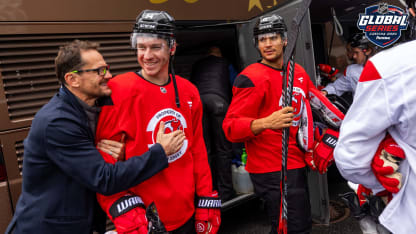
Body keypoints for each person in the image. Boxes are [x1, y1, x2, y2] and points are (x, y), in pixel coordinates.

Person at [5, 39, 185, 234]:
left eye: (106, 68)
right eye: (99, 71)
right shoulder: (56, 122)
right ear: (73, 79)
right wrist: (160, 152)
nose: (108, 75)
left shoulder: (93, 107)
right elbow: (104, 179)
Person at [95, 10, 221, 234]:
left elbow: (197, 150)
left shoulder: (189, 91)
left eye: (155, 47)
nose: (147, 55)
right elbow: (105, 163)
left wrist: (206, 196)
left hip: (186, 214)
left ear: (172, 48)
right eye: (141, 47)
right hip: (144, 219)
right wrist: (124, 209)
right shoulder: (117, 90)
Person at [223, 13, 344, 234]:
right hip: (271, 168)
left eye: (273, 38)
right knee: (294, 227)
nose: (267, 44)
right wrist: (266, 122)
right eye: (262, 39)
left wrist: (322, 137)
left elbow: (314, 108)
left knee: (290, 226)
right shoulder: (250, 77)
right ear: (256, 44)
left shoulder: (296, 71)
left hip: (296, 162)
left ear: (285, 40)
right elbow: (230, 128)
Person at [334, 1, 416, 232]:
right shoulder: (355, 71)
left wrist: (379, 187)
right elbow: (338, 86)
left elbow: (350, 157)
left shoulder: (385, 66)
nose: (352, 55)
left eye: (355, 51)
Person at [190, 45, 236, 202]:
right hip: (218, 102)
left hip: (198, 104)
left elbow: (190, 87)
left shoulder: (197, 65)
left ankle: (209, 191)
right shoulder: (224, 63)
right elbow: (236, 84)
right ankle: (226, 192)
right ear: (219, 54)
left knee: (206, 151)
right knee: (223, 149)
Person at [321, 33, 376, 97]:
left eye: (356, 52)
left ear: (368, 51)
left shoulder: (385, 68)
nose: (354, 56)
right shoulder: (352, 71)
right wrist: (325, 91)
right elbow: (336, 87)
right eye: (353, 52)